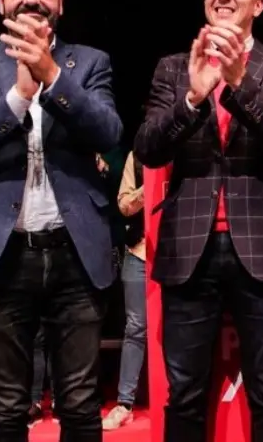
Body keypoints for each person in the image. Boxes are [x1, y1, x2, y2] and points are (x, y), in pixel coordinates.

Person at [0, 0, 123, 442]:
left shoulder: (88, 62)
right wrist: (18, 96)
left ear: (60, 1)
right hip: (1, 254)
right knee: (5, 409)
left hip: (75, 252)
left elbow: (108, 130)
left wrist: (52, 77)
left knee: (82, 407)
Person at [134, 0, 263, 442]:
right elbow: (147, 148)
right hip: (190, 247)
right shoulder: (173, 67)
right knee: (185, 392)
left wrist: (236, 84)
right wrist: (192, 97)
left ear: (258, 3)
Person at [102, 149, 147, 430]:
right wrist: (150, 185)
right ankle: (125, 403)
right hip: (139, 252)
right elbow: (124, 205)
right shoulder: (137, 156)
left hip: (182, 255)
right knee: (135, 328)